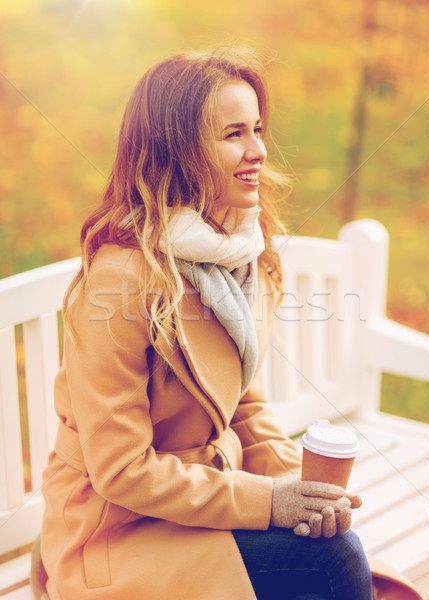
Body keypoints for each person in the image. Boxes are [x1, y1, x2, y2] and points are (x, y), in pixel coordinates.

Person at [38, 47, 374, 600]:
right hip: (116, 534)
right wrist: (269, 501)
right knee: (334, 564)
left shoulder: (236, 250)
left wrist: (303, 489)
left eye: (258, 129)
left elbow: (242, 404)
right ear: (178, 150)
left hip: (198, 507)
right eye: (234, 134)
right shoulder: (121, 279)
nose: (258, 150)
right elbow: (121, 471)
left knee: (330, 545)